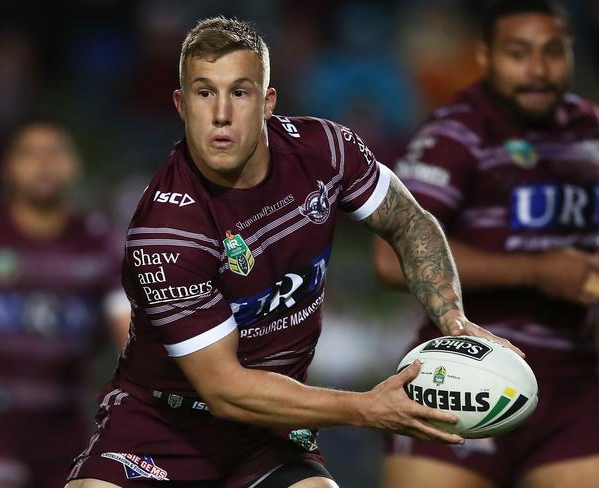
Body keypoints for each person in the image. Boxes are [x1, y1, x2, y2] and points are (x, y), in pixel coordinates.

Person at [65, 17, 519, 488]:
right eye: (204, 93)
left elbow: (409, 221)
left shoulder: (327, 151)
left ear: (267, 102)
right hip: (159, 430)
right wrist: (369, 408)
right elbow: (226, 391)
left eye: (240, 92)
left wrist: (454, 320)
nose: (221, 113)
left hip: (270, 433)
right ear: (181, 105)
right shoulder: (167, 231)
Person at [374, 1, 599, 487]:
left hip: (576, 381)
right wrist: (536, 271)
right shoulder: (455, 134)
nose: (538, 69)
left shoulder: (592, 132)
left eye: (553, 52)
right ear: (485, 55)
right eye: (519, 53)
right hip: (464, 371)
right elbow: (390, 260)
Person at [0, 119, 130, 488]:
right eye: (30, 154)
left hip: (68, 419)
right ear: (9, 167)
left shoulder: (100, 244)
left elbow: (129, 332)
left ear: (75, 165)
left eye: (56, 153)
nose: (44, 164)